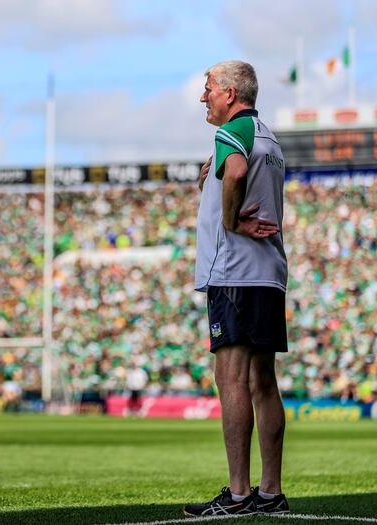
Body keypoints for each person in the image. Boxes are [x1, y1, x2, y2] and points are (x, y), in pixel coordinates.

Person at [184, 61, 289, 517]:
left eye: (208, 88)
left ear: (229, 93)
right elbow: (242, 171)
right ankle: (270, 492)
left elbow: (238, 171)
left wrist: (231, 221)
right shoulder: (269, 137)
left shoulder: (232, 132)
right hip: (268, 273)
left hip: (234, 273)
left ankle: (240, 493)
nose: (203, 96)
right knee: (264, 382)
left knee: (230, 379)